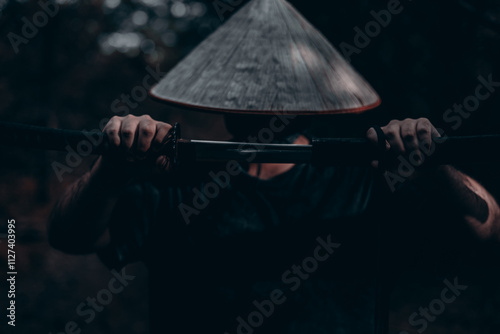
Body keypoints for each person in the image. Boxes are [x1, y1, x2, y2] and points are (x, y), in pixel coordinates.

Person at [48, 113, 500, 334]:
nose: (266, 96)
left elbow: (487, 226)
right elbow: (68, 236)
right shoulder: (175, 180)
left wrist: (435, 164)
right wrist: (111, 169)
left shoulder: (363, 179)